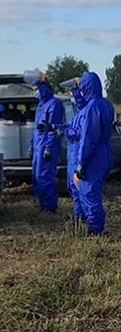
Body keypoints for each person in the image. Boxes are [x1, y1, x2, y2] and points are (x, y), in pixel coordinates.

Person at [38, 80, 86, 220]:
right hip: (73, 152)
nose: (69, 94)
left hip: (77, 151)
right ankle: (79, 218)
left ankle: (82, 219)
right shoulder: (78, 112)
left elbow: (77, 132)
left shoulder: (84, 111)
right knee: (73, 186)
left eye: (72, 92)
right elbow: (71, 126)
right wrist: (55, 127)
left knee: (79, 188)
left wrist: (62, 130)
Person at [74, 72, 114, 235]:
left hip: (94, 155)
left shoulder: (91, 109)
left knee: (89, 192)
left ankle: (96, 230)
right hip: (106, 151)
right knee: (94, 190)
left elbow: (88, 139)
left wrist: (81, 164)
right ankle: (95, 226)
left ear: (86, 87)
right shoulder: (106, 104)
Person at [30, 76, 64, 212]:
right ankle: (43, 205)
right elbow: (36, 128)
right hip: (39, 146)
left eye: (37, 88)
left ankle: (50, 207)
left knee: (46, 176)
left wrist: (49, 147)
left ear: (43, 87)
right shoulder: (41, 106)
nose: (36, 92)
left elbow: (53, 128)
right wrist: (31, 145)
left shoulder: (54, 104)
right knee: (37, 176)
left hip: (47, 146)